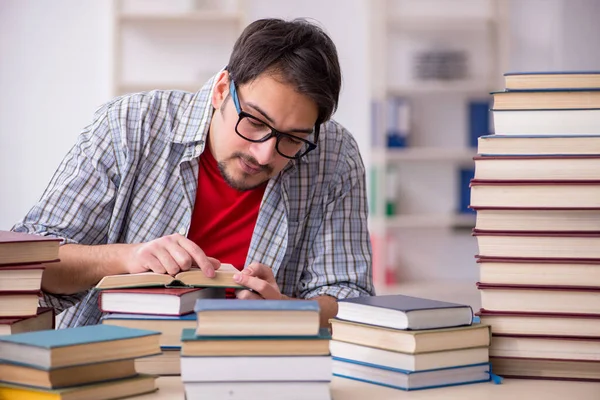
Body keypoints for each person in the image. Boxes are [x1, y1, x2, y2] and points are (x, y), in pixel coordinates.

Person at [12, 18, 374, 328]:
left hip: (259, 370)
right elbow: (26, 266)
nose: (264, 154)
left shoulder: (335, 155)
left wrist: (285, 310)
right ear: (221, 90)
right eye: (255, 122)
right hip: (117, 367)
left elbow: (350, 299)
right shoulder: (128, 126)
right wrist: (127, 258)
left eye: (292, 139)